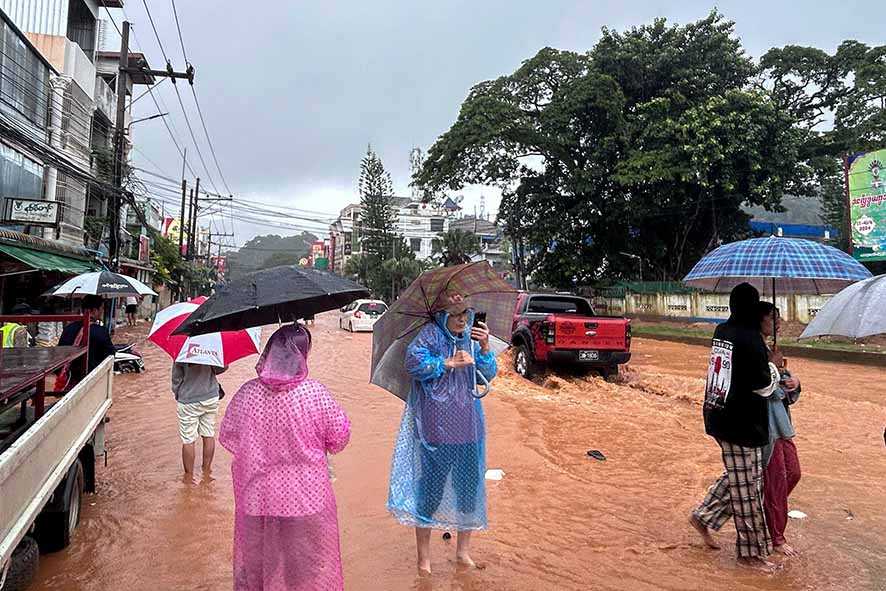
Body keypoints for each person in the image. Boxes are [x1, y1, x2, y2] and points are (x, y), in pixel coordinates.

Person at [219, 324, 350, 591]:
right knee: (304, 569)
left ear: (270, 351)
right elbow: (339, 439)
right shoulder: (316, 394)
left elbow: (229, 437)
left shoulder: (247, 393)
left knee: (256, 568)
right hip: (305, 499)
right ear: (304, 353)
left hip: (257, 497)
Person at [387, 293, 497, 575]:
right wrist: (447, 363)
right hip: (435, 429)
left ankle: (463, 553)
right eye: (457, 313)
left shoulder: (471, 339)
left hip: (469, 428)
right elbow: (413, 364)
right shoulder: (429, 335)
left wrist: (484, 347)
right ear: (443, 314)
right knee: (430, 494)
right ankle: (423, 559)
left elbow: (488, 373)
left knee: (468, 492)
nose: (462, 319)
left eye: (466, 313)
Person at [689, 283, 781, 570]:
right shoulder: (750, 338)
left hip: (718, 416)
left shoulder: (722, 331)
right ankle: (750, 555)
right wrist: (774, 365)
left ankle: (703, 517)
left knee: (744, 477)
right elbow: (763, 386)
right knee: (747, 490)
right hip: (741, 424)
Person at [758, 302, 802, 557]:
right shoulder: (754, 350)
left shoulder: (769, 350)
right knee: (776, 480)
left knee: (792, 474)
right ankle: (776, 538)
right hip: (768, 427)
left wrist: (793, 382)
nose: (777, 322)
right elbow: (764, 389)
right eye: (772, 318)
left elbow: (785, 387)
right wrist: (774, 368)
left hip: (782, 424)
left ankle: (770, 511)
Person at [171, 361, 227, 477]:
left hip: (188, 399)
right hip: (210, 397)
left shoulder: (182, 351)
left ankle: (189, 478)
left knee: (188, 439)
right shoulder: (211, 348)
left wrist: (179, 394)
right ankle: (206, 472)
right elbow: (220, 369)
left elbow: (176, 379)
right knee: (208, 434)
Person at [58, 295, 116, 378]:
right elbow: (111, 355)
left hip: (69, 377)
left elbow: (60, 352)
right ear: (95, 310)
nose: (102, 311)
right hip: (92, 377)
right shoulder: (101, 331)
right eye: (102, 308)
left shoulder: (69, 328)